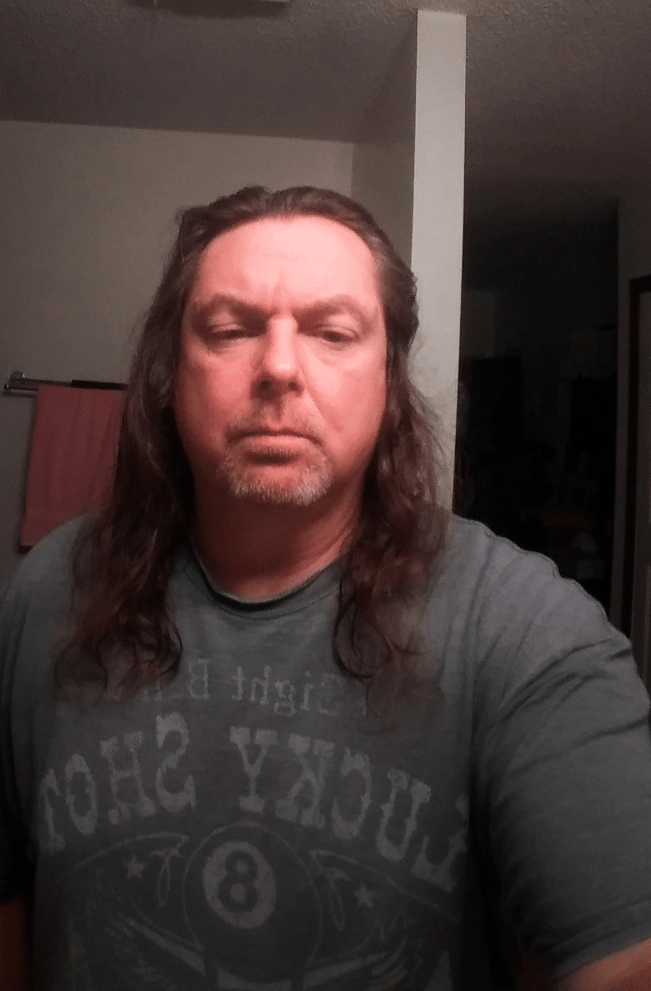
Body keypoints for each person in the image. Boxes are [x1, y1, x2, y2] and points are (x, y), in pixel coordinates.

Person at [1, 186, 651, 991]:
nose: (278, 366)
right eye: (231, 329)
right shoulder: (49, 589)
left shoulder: (524, 632)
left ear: (387, 381)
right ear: (170, 373)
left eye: (332, 332)